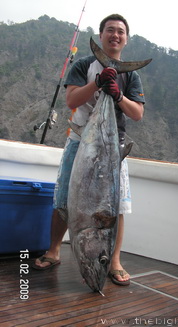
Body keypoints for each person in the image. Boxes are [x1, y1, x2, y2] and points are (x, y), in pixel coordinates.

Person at [32, 14, 146, 286]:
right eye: (110, 30)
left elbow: (137, 114)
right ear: (102, 34)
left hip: (113, 147)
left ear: (126, 38)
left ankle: (114, 260)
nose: (115, 35)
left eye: (120, 31)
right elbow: (71, 98)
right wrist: (97, 82)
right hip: (80, 140)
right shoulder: (84, 65)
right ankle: (54, 250)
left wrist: (117, 95)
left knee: (115, 207)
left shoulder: (131, 75)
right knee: (63, 200)